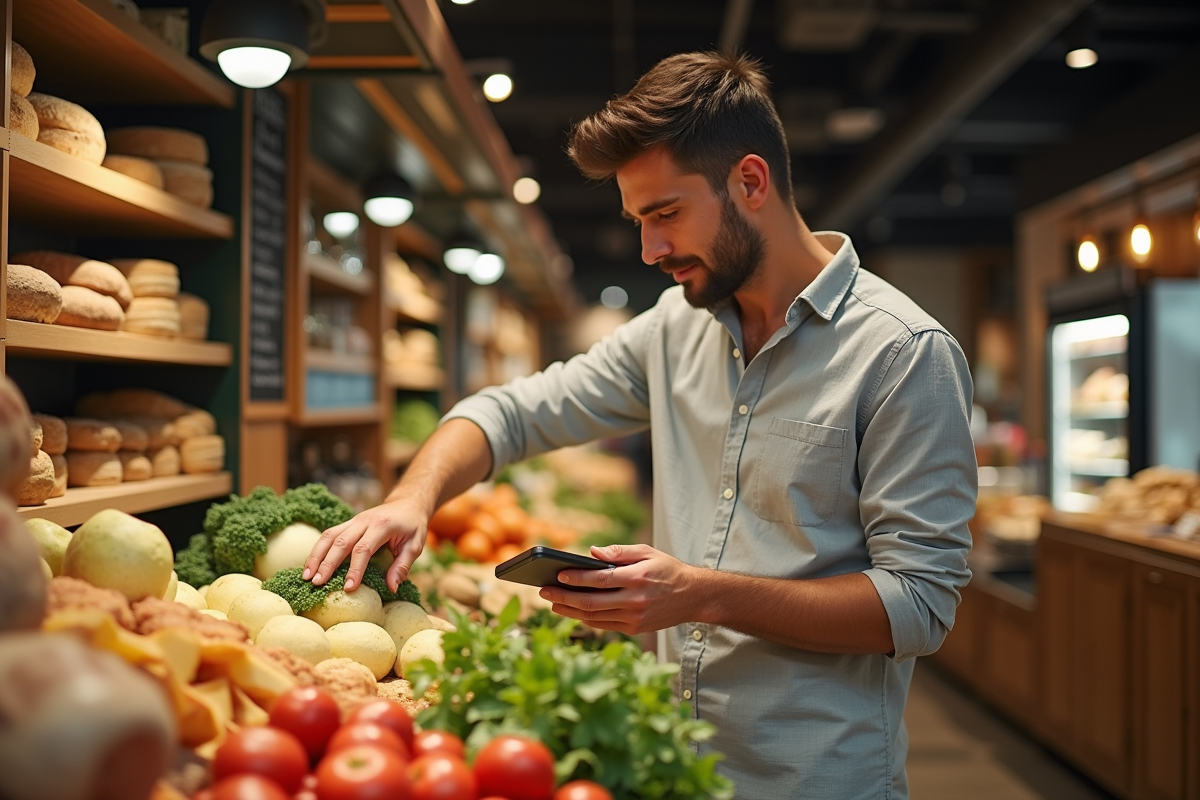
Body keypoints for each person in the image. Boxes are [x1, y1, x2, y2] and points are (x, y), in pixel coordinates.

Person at [305, 51, 976, 798]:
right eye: (638, 221)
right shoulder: (673, 329)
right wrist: (412, 498)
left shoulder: (904, 354)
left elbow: (918, 605)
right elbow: (510, 413)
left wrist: (701, 594)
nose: (651, 250)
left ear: (751, 182)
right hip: (672, 762)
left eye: (666, 214)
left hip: (811, 779)